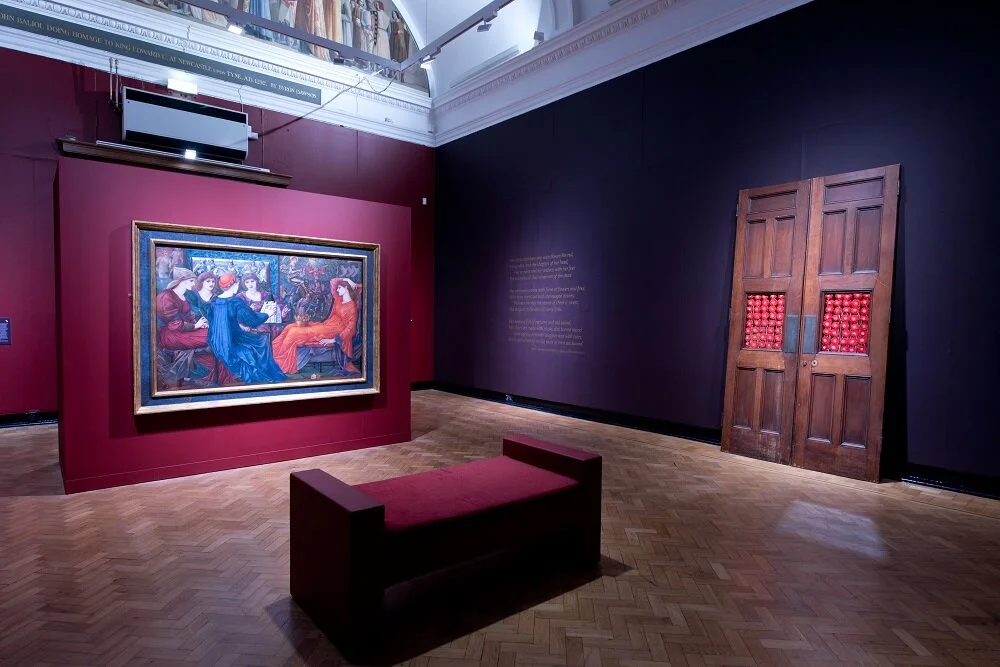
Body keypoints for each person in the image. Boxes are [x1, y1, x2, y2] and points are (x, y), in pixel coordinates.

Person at [270, 277, 360, 375]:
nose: (337, 290)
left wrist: (334, 339)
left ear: (346, 288)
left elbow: (351, 329)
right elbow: (332, 282)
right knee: (289, 327)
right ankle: (273, 359)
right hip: (327, 325)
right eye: (337, 288)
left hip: (334, 331)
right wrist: (348, 280)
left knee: (294, 332)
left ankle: (278, 363)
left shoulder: (352, 306)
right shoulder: (339, 299)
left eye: (340, 288)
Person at [207, 274, 286, 384]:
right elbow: (250, 320)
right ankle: (262, 375)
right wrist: (267, 314)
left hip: (216, 340)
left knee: (258, 340)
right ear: (234, 285)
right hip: (232, 339)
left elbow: (211, 320)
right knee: (262, 341)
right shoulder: (235, 301)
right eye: (237, 283)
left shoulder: (214, 301)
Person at [155, 267, 213, 386]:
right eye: (191, 281)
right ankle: (197, 374)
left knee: (212, 333)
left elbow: (190, 317)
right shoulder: (166, 296)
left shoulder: (184, 297)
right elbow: (174, 325)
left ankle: (211, 374)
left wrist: (200, 324)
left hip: (183, 332)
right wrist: (196, 326)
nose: (194, 284)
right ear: (182, 281)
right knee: (211, 337)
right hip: (171, 335)